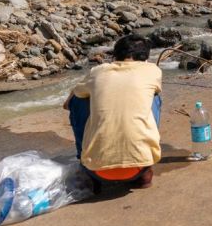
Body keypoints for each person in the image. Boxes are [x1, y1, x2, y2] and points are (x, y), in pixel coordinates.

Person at [65, 34, 163, 189]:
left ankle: (83, 161)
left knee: (77, 100)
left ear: (115, 56)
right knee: (154, 97)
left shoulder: (98, 71)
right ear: (145, 58)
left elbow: (69, 102)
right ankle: (145, 173)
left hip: (96, 170)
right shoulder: (153, 70)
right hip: (139, 168)